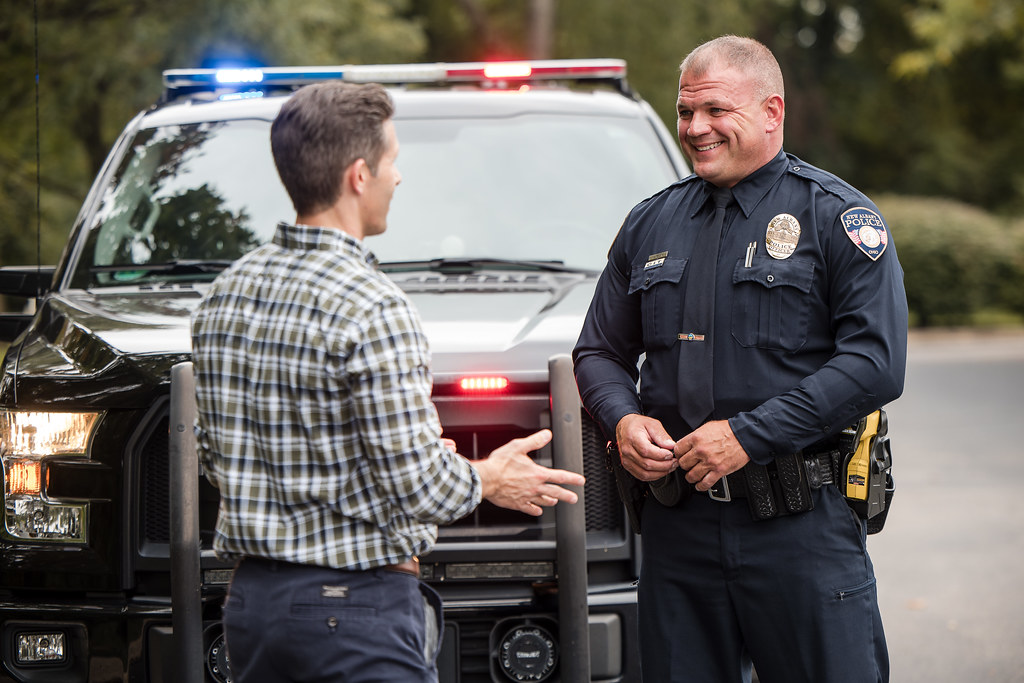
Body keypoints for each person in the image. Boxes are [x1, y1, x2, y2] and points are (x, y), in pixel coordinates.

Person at [191, 82, 585, 683]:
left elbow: (223, 458)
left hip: (251, 609)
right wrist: (487, 476)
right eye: (392, 161)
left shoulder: (223, 295)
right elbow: (419, 486)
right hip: (353, 617)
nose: (397, 177)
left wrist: (400, 464)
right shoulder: (373, 306)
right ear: (358, 175)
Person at [573, 35, 907, 683]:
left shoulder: (836, 218)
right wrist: (620, 417)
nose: (695, 128)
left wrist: (746, 436)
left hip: (800, 531)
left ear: (772, 112)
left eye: (715, 111)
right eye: (685, 111)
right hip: (679, 534)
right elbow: (600, 351)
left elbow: (875, 363)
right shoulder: (649, 223)